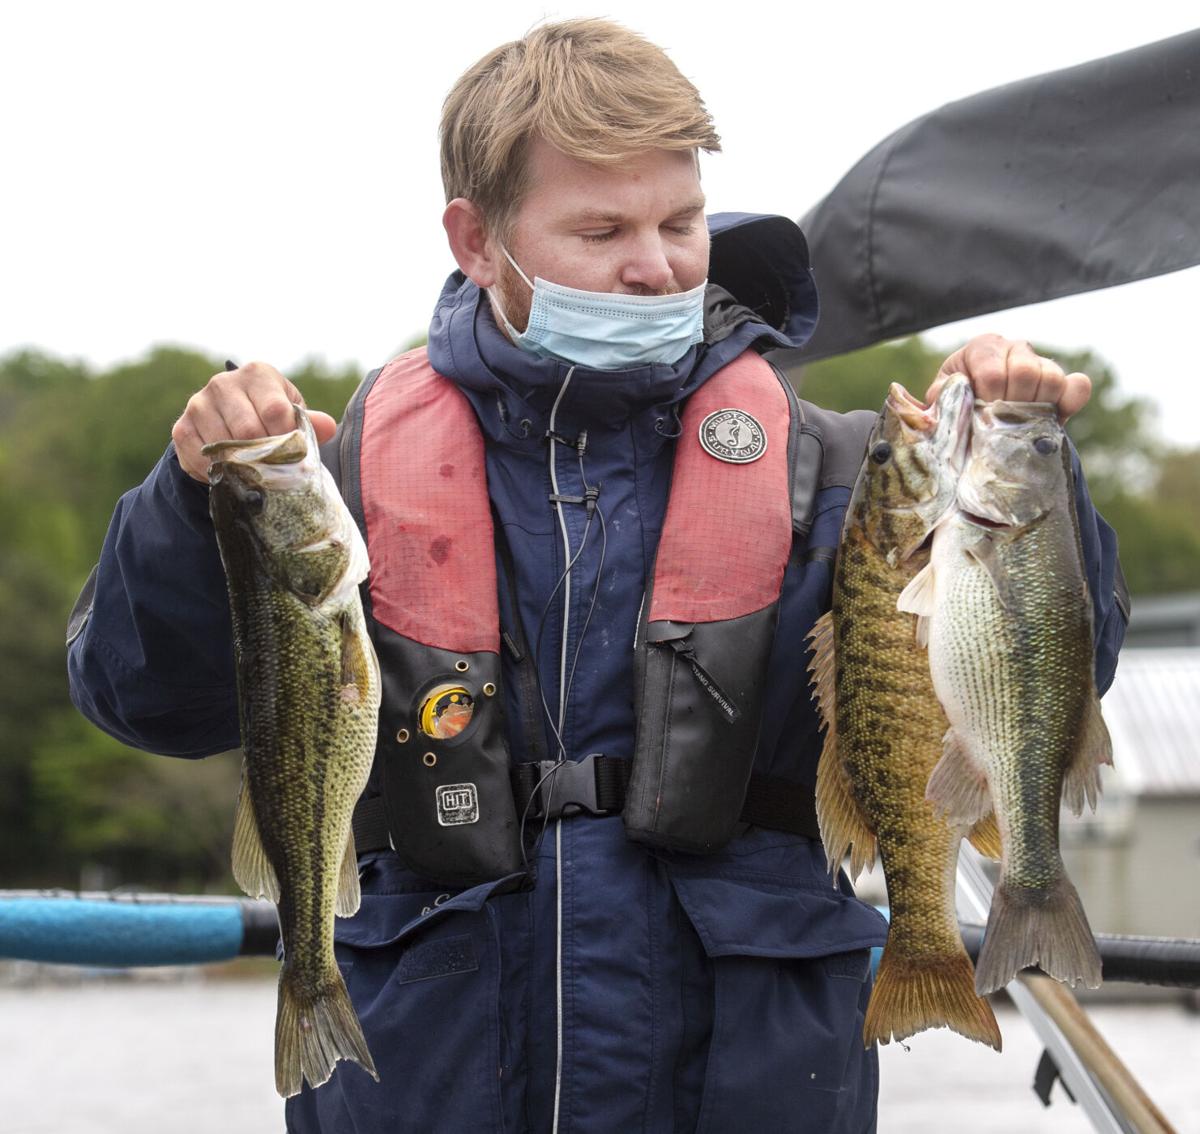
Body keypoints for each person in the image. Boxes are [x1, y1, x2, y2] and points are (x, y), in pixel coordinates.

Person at [67, 19, 1125, 1133]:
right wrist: (193, 503)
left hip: (749, 1082)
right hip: (430, 1080)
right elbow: (145, 699)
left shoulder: (849, 475)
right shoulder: (336, 484)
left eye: (682, 221)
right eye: (601, 228)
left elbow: (1059, 675)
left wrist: (1028, 458)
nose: (656, 263)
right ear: (477, 242)